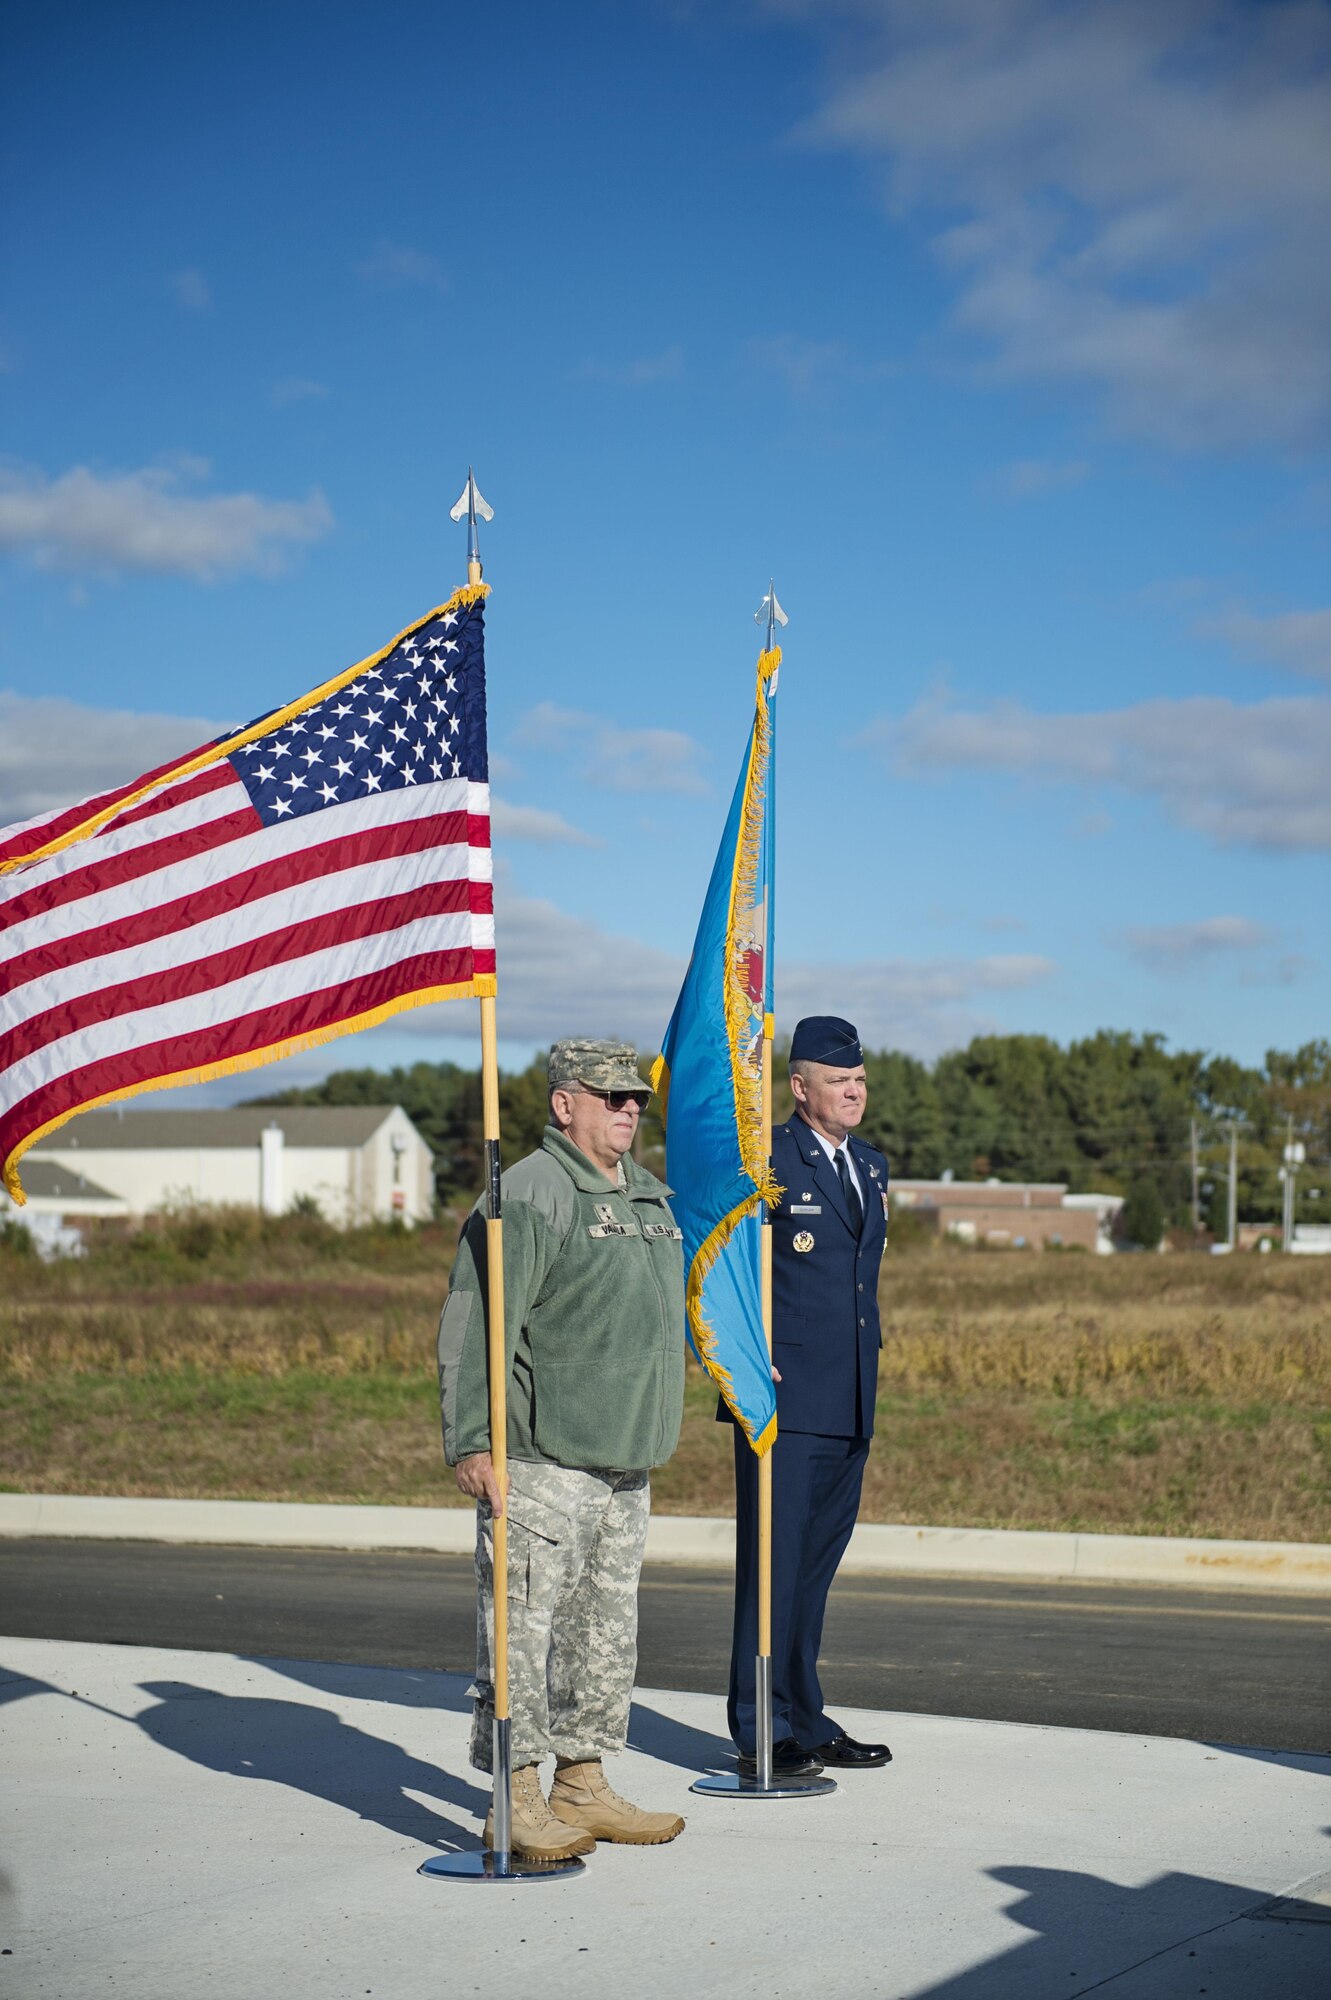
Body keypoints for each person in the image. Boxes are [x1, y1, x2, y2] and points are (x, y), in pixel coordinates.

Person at [437, 1037, 688, 1860]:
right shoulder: (532, 1193)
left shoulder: (647, 1194)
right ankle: (515, 1797)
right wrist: (475, 1440)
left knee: (603, 1632)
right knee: (521, 1633)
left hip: (623, 1461)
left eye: (634, 1100)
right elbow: (477, 1320)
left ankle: (582, 1781)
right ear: (563, 1103)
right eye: (608, 1096)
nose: (626, 1111)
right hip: (544, 1460)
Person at [725, 1013, 893, 1775]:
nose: (853, 1092)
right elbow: (723, 1265)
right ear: (798, 1088)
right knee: (771, 1569)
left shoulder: (871, 1166)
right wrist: (739, 1356)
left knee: (813, 1572)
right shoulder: (766, 1162)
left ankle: (806, 1716)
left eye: (859, 1080)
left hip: (850, 1396)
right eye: (838, 1081)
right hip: (783, 1400)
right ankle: (761, 1727)